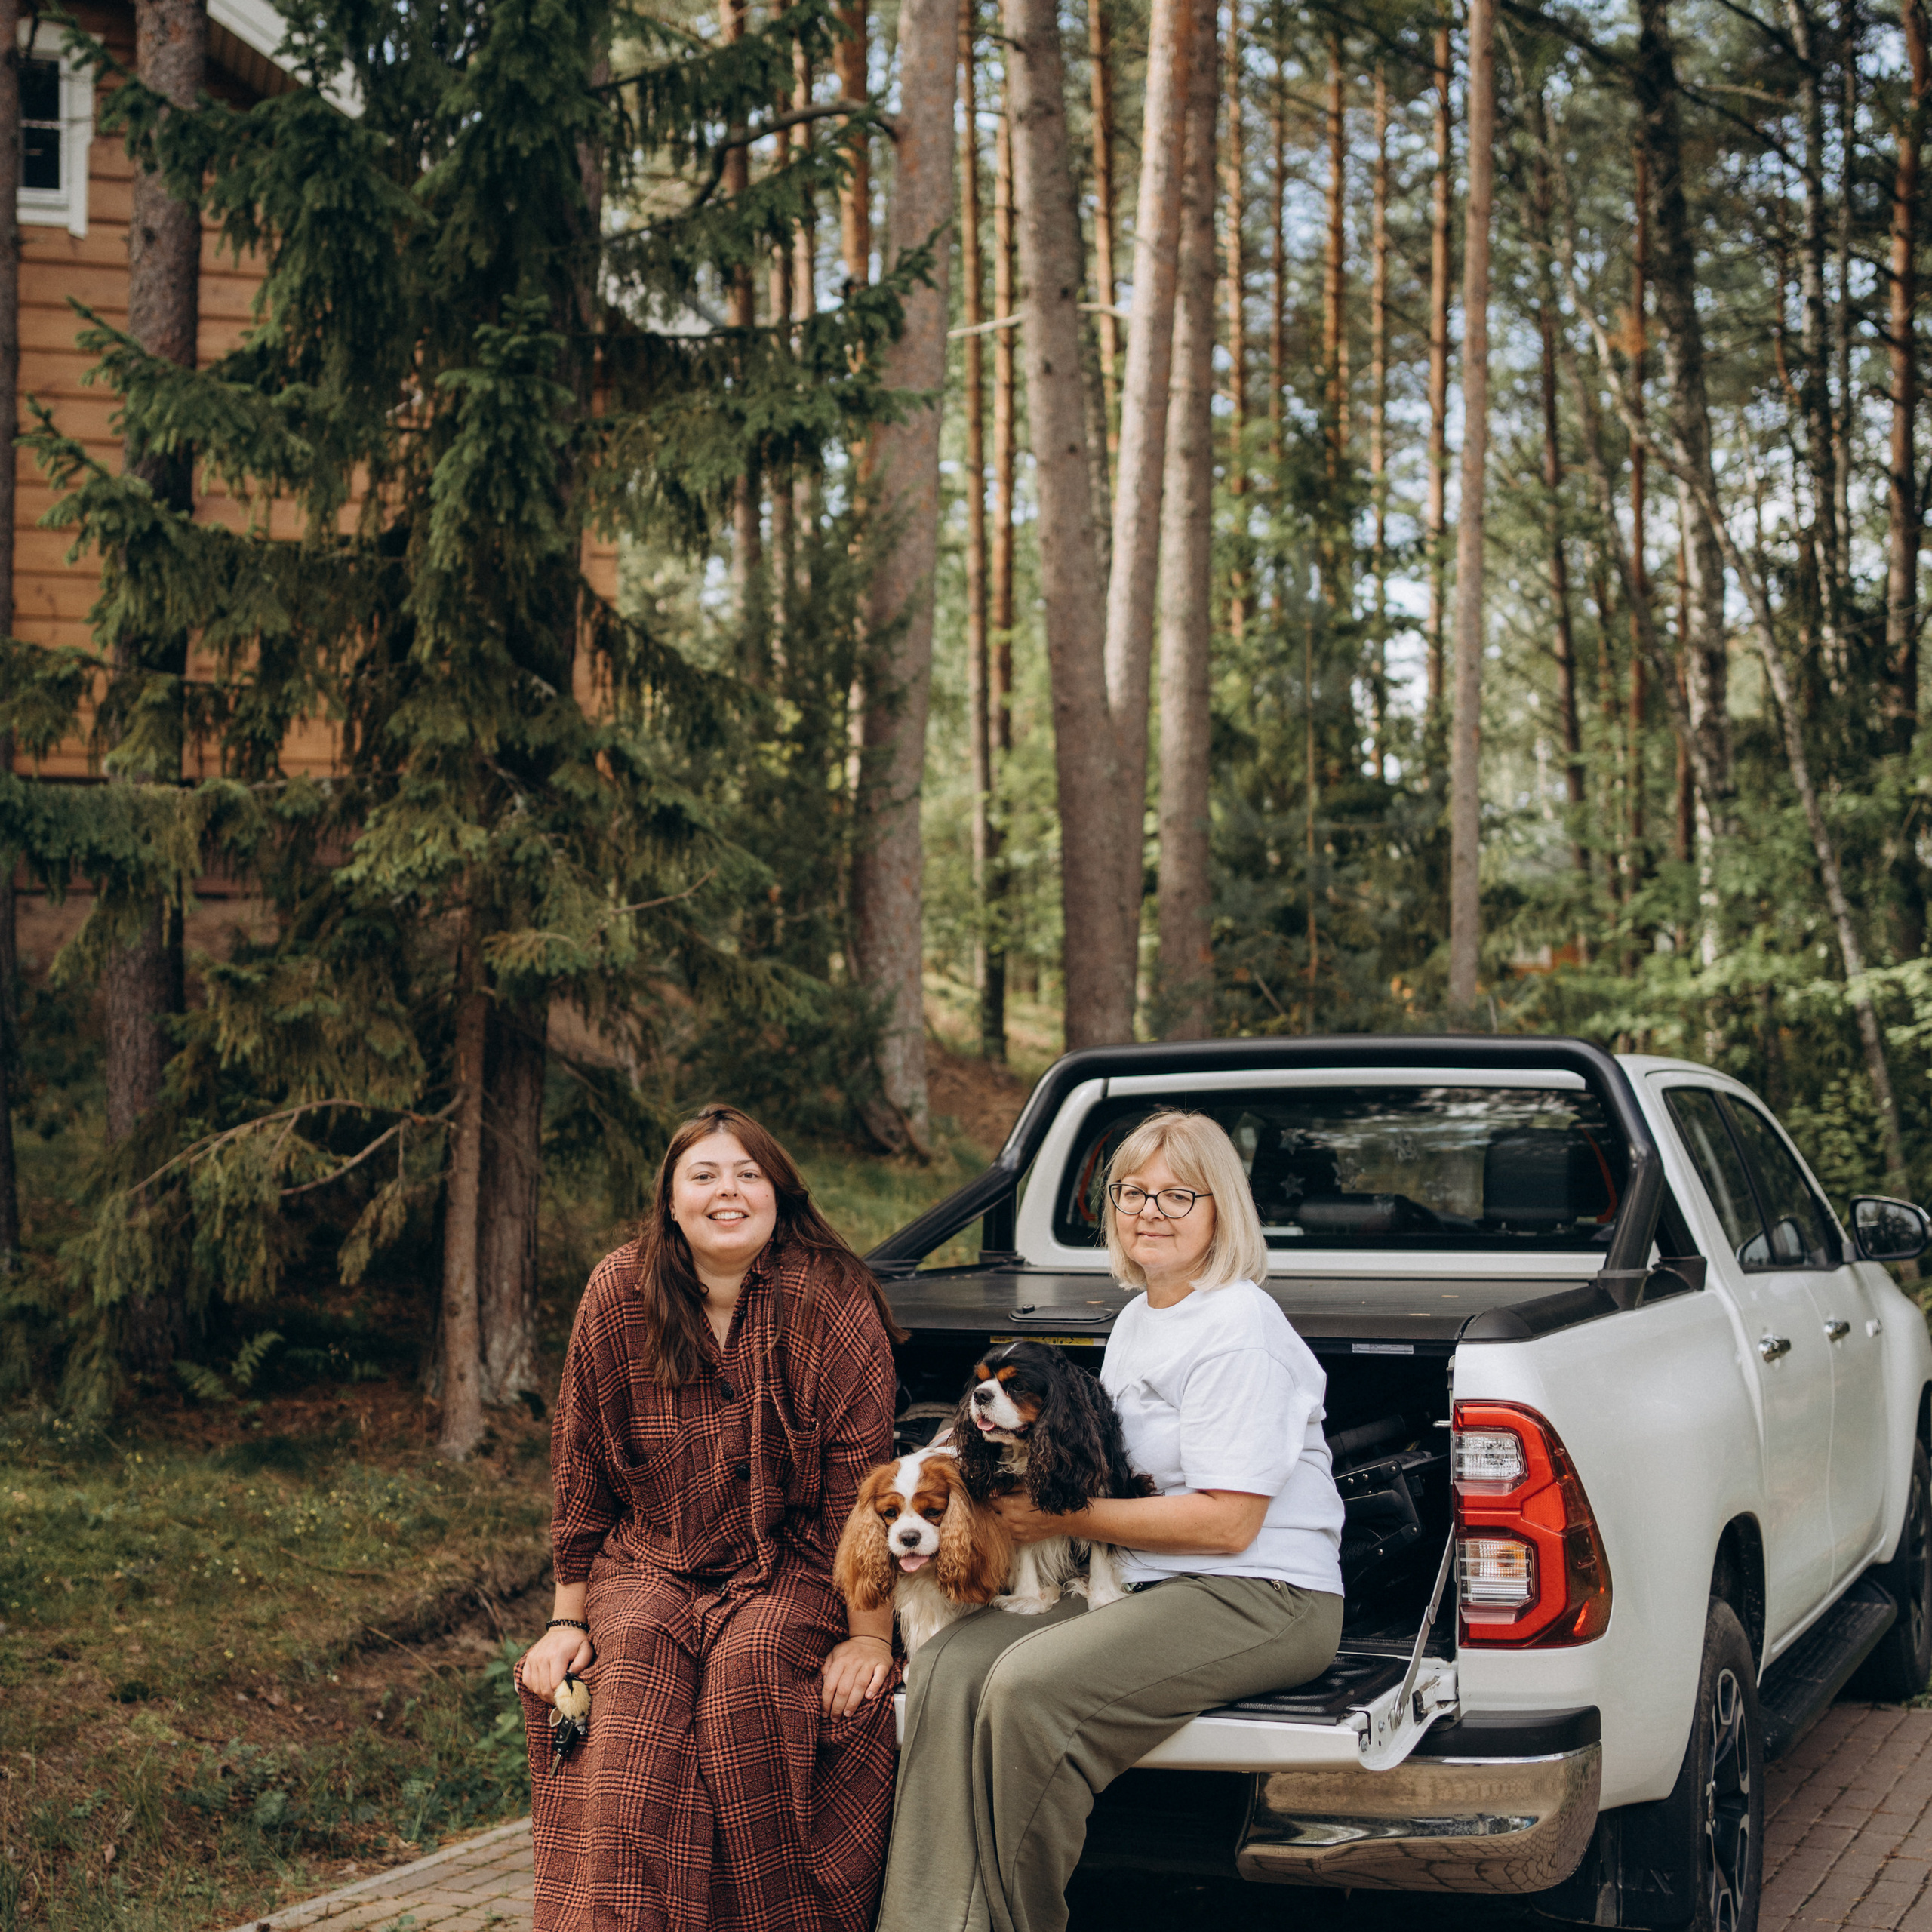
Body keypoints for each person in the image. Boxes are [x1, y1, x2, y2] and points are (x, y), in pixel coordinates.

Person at [875, 1108, 1346, 1932]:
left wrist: (1052, 1517)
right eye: (1132, 1192)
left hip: (1262, 1594)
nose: (1148, 1212)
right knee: (950, 1664)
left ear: (1219, 1209)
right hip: (1141, 1575)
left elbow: (1229, 1526)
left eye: (1176, 1195)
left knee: (1025, 1690)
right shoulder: (1138, 1319)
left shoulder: (1239, 1326)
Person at [516, 1103, 905, 1932]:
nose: (727, 1192)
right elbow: (580, 1465)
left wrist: (869, 1635)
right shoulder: (618, 1291)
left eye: (747, 1174)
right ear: (670, 1199)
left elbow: (859, 1488)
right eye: (704, 1175)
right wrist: (564, 1619)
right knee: (627, 1743)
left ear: (778, 1194)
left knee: (748, 1694)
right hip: (649, 1562)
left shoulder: (831, 1298)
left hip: (795, 1564)